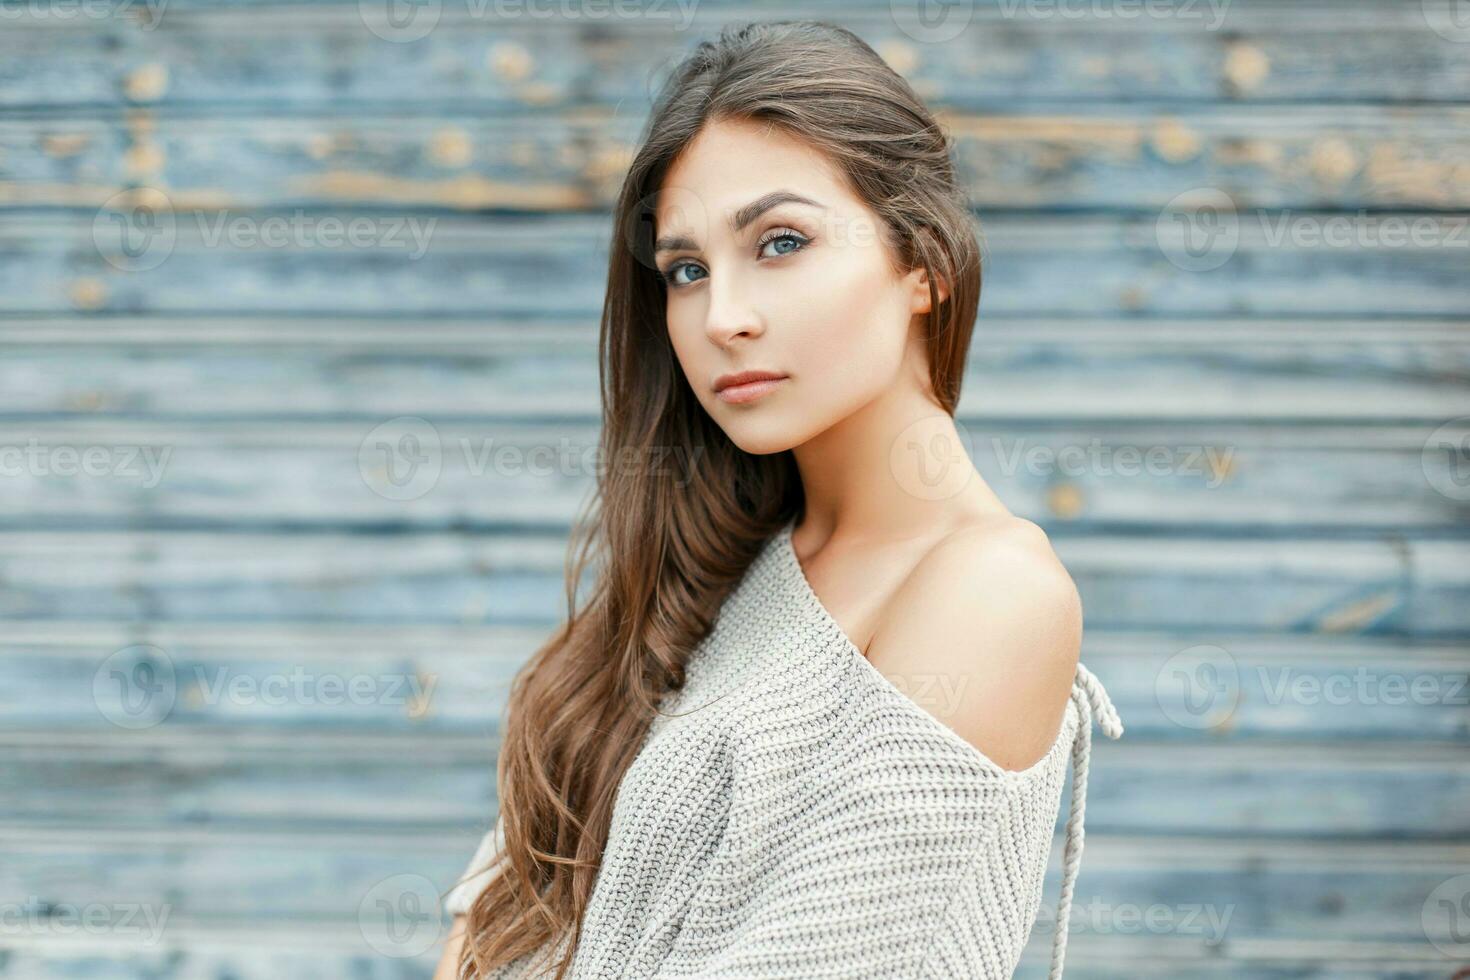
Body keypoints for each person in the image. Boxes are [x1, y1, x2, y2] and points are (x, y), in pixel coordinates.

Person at [435, 20, 1122, 979]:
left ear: (922, 261)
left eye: (782, 242)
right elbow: (489, 922)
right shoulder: (708, 569)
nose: (723, 317)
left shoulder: (991, 591)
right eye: (687, 270)